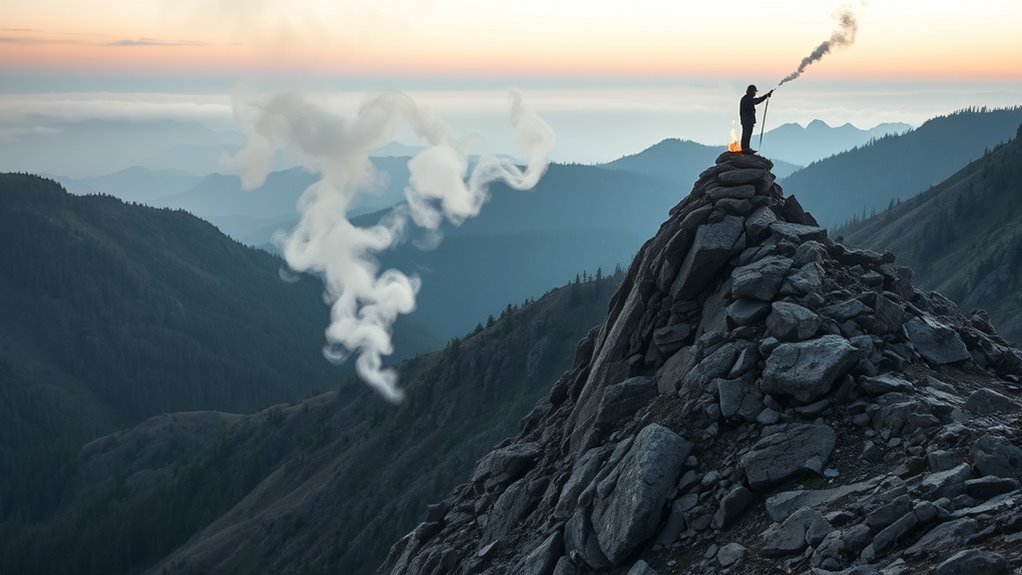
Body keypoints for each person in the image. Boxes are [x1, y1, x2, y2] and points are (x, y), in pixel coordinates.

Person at [740, 85, 773, 154]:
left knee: (747, 134)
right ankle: (745, 149)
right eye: (754, 91)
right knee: (746, 134)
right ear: (751, 91)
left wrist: (766, 96)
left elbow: (756, 100)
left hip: (747, 120)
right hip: (747, 120)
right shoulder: (747, 99)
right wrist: (766, 96)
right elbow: (757, 101)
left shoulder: (746, 98)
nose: (755, 93)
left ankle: (746, 148)